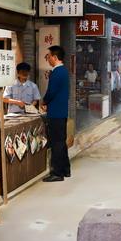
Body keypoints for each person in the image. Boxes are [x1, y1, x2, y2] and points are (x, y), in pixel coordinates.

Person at [41, 46, 70, 182]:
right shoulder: (63, 71)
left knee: (56, 143)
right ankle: (65, 169)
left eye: (48, 56)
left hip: (55, 113)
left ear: (55, 57)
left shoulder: (57, 72)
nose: (48, 59)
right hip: (61, 112)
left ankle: (57, 173)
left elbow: (51, 92)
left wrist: (44, 101)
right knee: (61, 142)